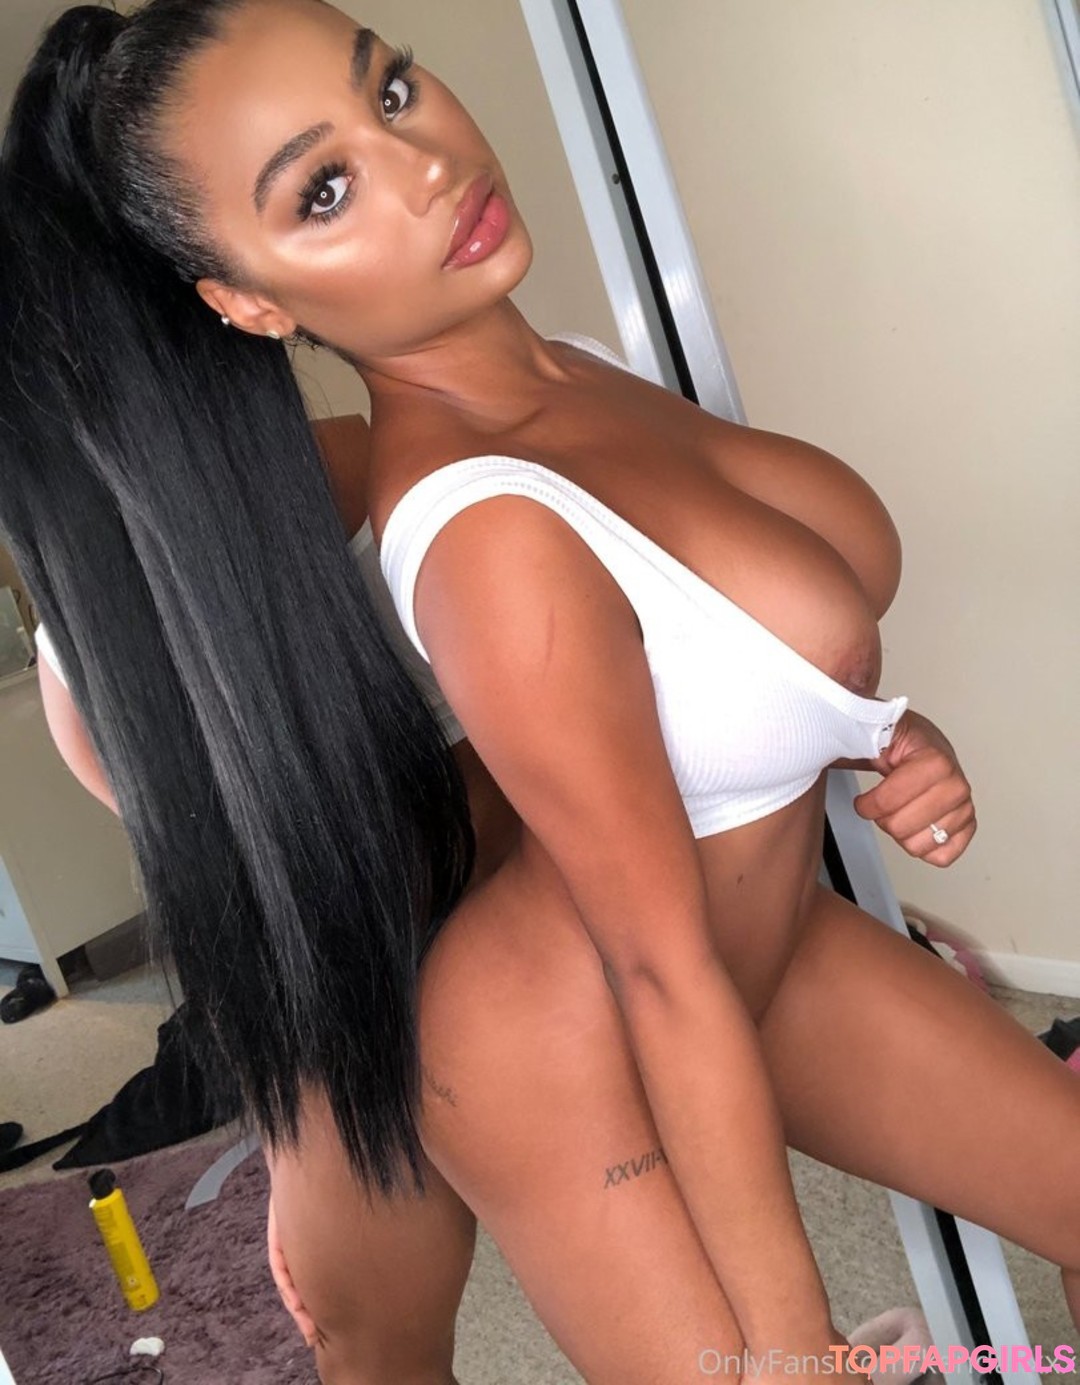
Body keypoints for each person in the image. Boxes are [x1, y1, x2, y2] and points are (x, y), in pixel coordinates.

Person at [2, 2, 1078, 1383]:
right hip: (577, 1048)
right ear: (251, 302)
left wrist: (871, 729)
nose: (425, 166)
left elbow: (718, 652)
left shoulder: (588, 372)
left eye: (392, 90)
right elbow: (653, 963)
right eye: (323, 191)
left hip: (756, 948)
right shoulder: (485, 530)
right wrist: (789, 1340)